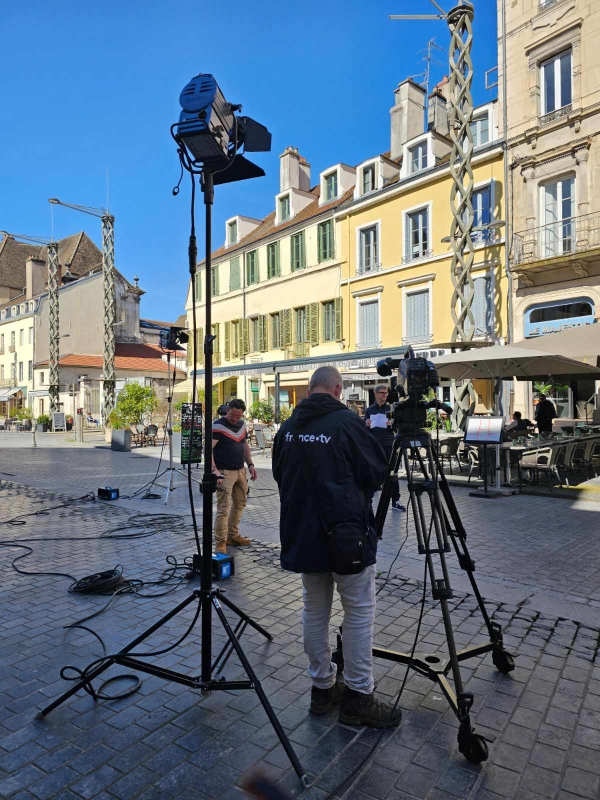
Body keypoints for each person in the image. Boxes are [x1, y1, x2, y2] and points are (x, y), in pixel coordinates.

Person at [272, 366, 402, 729]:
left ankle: (322, 687)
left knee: (314, 611)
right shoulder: (346, 422)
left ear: (311, 390)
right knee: (359, 612)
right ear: (338, 389)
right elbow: (377, 472)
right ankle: (359, 696)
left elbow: (280, 475)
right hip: (347, 537)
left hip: (303, 535)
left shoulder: (288, 427)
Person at [211, 399, 257, 554]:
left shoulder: (242, 425)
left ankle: (232, 535)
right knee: (223, 508)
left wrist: (250, 465)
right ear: (227, 410)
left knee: (240, 503)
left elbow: (244, 445)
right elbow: (207, 450)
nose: (235, 418)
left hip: (240, 470)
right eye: (232, 415)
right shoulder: (218, 426)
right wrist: (215, 471)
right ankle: (220, 542)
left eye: (238, 416)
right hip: (224, 472)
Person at [364, 384, 405, 511]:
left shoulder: (391, 409)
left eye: (386, 393)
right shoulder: (369, 410)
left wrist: (390, 425)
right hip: (375, 446)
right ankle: (368, 500)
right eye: (382, 393)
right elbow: (365, 430)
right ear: (375, 394)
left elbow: (397, 428)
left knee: (392, 473)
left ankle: (395, 501)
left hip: (389, 445)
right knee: (372, 473)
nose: (384, 395)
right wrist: (365, 424)